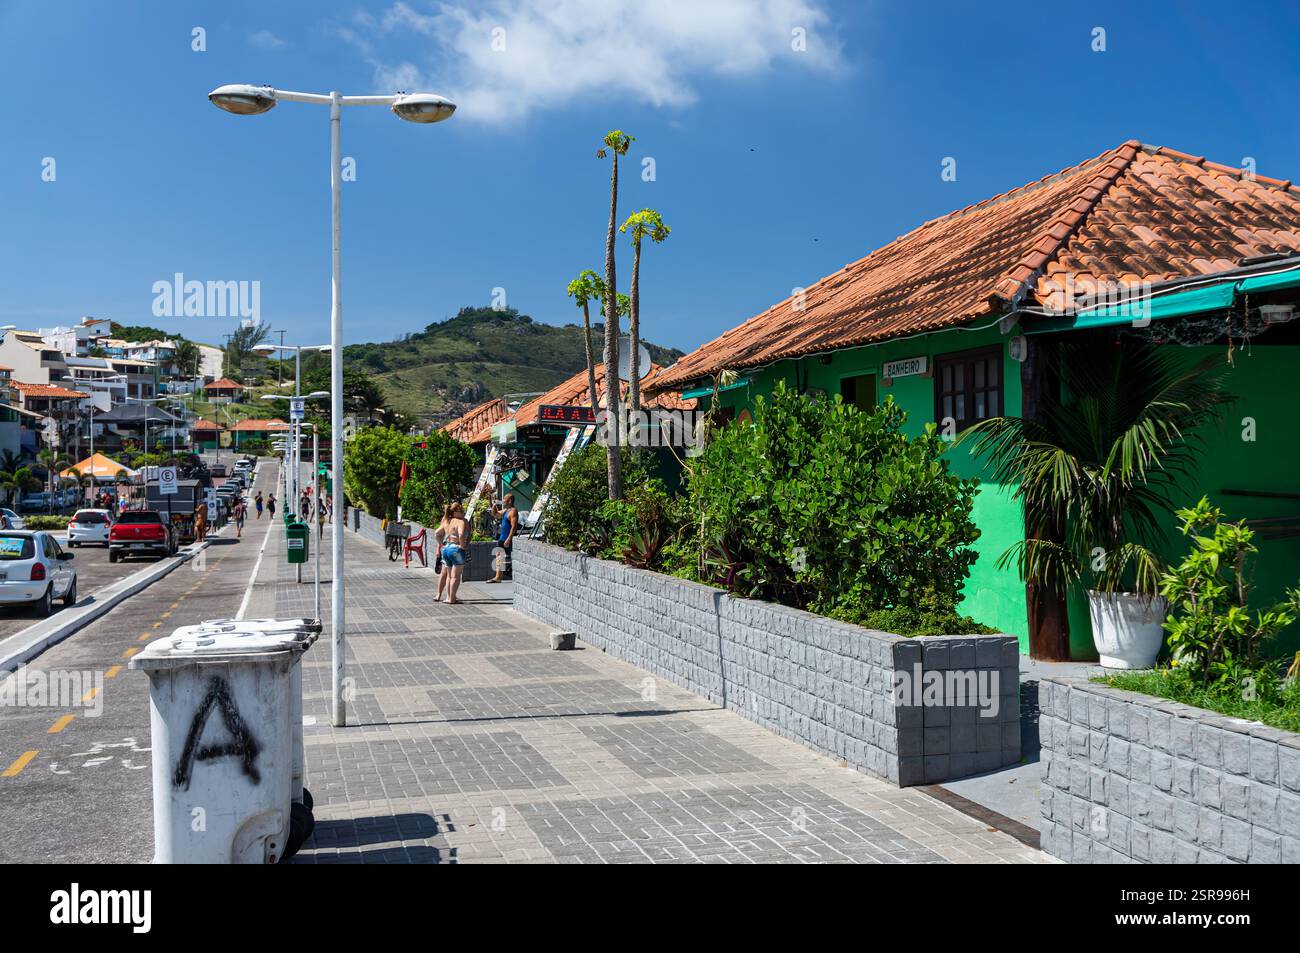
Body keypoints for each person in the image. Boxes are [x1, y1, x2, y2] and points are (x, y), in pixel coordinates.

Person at [436, 502, 470, 605]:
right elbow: (460, 534)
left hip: (446, 549)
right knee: (456, 576)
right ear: (455, 512)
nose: (463, 512)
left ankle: (448, 597)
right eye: (461, 511)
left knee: (449, 576)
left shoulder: (449, 520)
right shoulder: (461, 521)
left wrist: (440, 545)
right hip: (456, 549)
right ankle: (452, 599)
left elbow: (437, 533)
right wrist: (463, 546)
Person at [489, 493, 518, 584]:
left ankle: (513, 576)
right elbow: (496, 514)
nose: (503, 500)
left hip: (508, 539)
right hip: (502, 538)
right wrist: (494, 505)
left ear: (509, 501)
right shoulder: (506, 511)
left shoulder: (513, 511)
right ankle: (498, 577)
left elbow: (514, 526)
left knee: (513, 558)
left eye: (504, 499)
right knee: (499, 556)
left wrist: (509, 539)